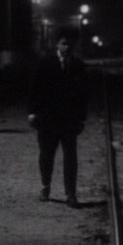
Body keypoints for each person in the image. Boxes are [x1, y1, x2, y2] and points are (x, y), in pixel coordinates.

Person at [27, 27, 88, 208]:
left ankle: (71, 193)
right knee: (46, 155)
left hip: (69, 120)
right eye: (63, 44)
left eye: (70, 44)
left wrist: (81, 118)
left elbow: (83, 95)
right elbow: (34, 89)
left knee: (71, 157)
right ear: (57, 44)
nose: (67, 47)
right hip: (47, 119)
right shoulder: (45, 63)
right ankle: (45, 187)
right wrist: (32, 112)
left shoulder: (78, 65)